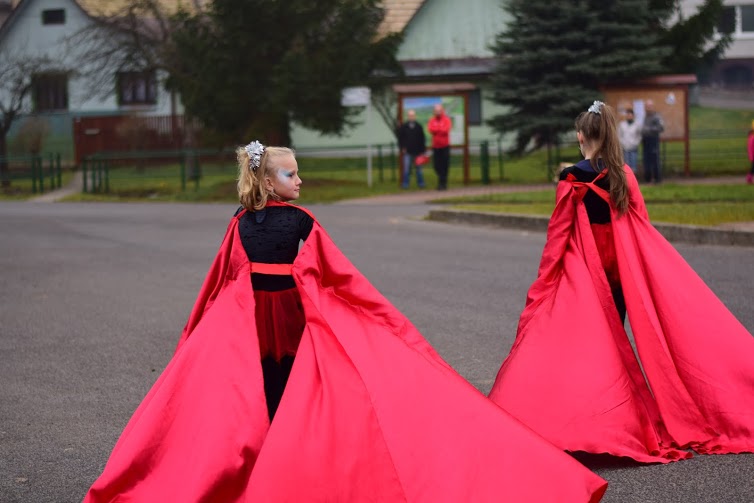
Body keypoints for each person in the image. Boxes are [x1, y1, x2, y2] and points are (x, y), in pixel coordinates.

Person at [84, 141, 607, 502]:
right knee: (275, 392)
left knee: (276, 392)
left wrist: (384, 321)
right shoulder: (274, 222)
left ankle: (280, 469)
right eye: (291, 174)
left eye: (298, 172)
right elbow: (257, 278)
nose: (300, 180)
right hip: (266, 326)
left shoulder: (261, 222)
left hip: (271, 324)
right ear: (266, 179)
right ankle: (279, 470)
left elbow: (309, 277)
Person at [488, 101, 754, 465]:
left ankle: (594, 419)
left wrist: (544, 283)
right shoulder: (624, 174)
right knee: (617, 339)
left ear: (581, 136)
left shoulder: (571, 179)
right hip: (620, 271)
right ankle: (618, 416)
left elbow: (559, 236)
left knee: (591, 346)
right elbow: (639, 222)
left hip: (586, 273)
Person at [397, 109, 427, 189]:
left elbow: (422, 139)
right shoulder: (404, 127)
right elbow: (400, 139)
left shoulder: (419, 126)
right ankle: (405, 184)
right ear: (408, 116)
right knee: (406, 169)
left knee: (419, 169)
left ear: (415, 116)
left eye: (413, 115)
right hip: (407, 152)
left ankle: (421, 183)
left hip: (418, 151)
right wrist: (402, 148)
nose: (411, 117)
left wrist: (423, 150)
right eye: (410, 116)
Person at [427, 103, 452, 190]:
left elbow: (446, 130)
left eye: (439, 111)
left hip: (445, 146)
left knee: (444, 165)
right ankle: (442, 180)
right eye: (436, 111)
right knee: (436, 166)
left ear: (442, 111)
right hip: (436, 146)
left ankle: (442, 184)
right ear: (434, 111)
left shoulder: (446, 120)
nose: (437, 112)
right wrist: (439, 129)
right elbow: (430, 129)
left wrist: (437, 130)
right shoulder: (432, 120)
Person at [641, 99, 664, 183]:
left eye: (649, 106)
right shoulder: (645, 117)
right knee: (646, 160)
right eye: (646, 106)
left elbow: (661, 128)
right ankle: (648, 179)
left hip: (653, 140)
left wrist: (649, 129)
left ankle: (657, 179)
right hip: (646, 140)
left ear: (652, 107)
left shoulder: (656, 117)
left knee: (655, 160)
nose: (648, 108)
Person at [618, 107, 642, 174]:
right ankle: (627, 177)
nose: (629, 116)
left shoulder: (637, 125)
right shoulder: (622, 125)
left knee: (633, 164)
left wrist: (635, 143)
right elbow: (619, 135)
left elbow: (639, 136)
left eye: (630, 115)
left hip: (633, 148)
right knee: (626, 165)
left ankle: (633, 177)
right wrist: (622, 143)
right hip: (624, 148)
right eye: (628, 115)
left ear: (633, 116)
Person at [747, 120, 754, 184]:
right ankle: (749, 178)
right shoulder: (752, 137)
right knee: (753, 168)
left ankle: (749, 177)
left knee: (753, 167)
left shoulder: (751, 136)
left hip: (752, 155)